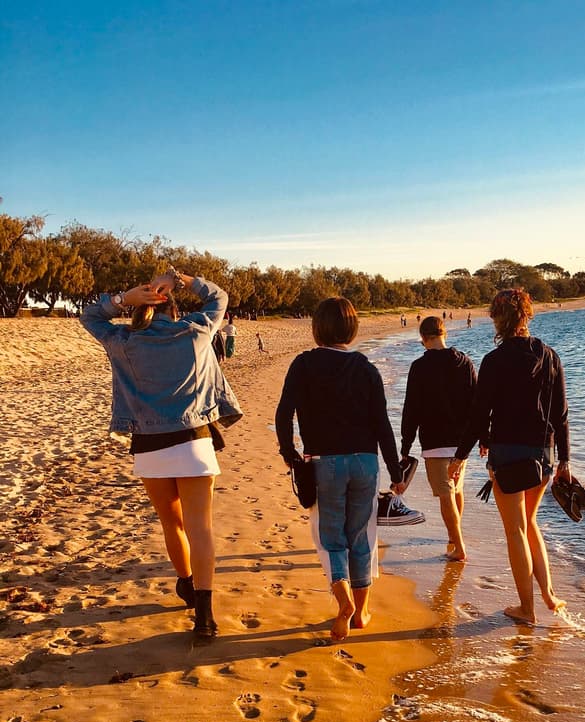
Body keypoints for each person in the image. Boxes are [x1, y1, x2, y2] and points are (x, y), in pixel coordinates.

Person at [80, 268, 243, 641]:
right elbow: (220, 298)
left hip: (150, 445)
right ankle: (204, 615)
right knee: (201, 527)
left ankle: (186, 583)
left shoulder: (122, 341)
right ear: (174, 309)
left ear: (140, 309)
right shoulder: (196, 331)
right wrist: (182, 279)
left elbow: (89, 315)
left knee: (174, 525)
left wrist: (123, 298)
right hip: (194, 441)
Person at [275, 297, 405, 642]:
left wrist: (290, 454)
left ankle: (343, 601)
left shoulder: (303, 365)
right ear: (352, 328)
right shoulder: (366, 368)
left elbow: (283, 414)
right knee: (361, 537)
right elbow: (382, 424)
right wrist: (396, 471)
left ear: (317, 328)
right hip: (365, 460)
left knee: (332, 538)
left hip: (324, 462)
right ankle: (361, 613)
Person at [450, 289, 571, 624]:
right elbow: (561, 414)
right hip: (542, 455)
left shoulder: (494, 361)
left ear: (498, 319)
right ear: (527, 315)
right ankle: (548, 594)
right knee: (530, 523)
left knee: (516, 529)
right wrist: (564, 461)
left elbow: (479, 415)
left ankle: (527, 609)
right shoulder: (549, 356)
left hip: (506, 454)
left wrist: (459, 456)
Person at [401, 316, 476, 560]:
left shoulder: (419, 367)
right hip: (462, 443)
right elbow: (477, 404)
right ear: (444, 333)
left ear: (423, 338)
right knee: (456, 490)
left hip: (435, 442)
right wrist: (483, 438)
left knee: (446, 494)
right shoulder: (464, 362)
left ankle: (460, 547)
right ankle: (455, 537)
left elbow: (411, 408)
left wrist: (406, 445)